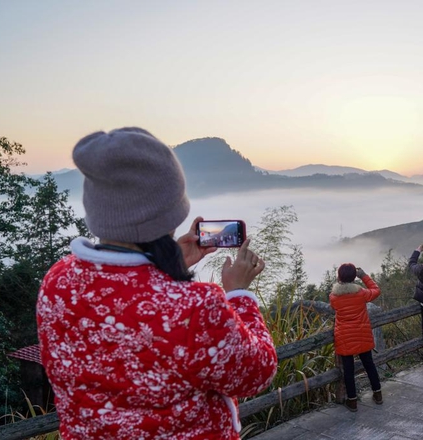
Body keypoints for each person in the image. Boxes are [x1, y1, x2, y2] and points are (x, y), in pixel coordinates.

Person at [37, 128, 278, 439]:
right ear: (168, 210)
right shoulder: (196, 306)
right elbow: (256, 374)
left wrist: (171, 264)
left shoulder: (57, 282)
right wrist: (239, 294)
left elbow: (123, 298)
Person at [329, 264, 382, 412]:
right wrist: (364, 276)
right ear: (354, 277)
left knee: (348, 369)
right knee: (369, 365)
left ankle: (352, 402)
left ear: (339, 277)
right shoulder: (362, 294)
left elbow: (334, 308)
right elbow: (376, 291)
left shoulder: (334, 297)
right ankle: (378, 394)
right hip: (362, 334)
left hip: (345, 336)